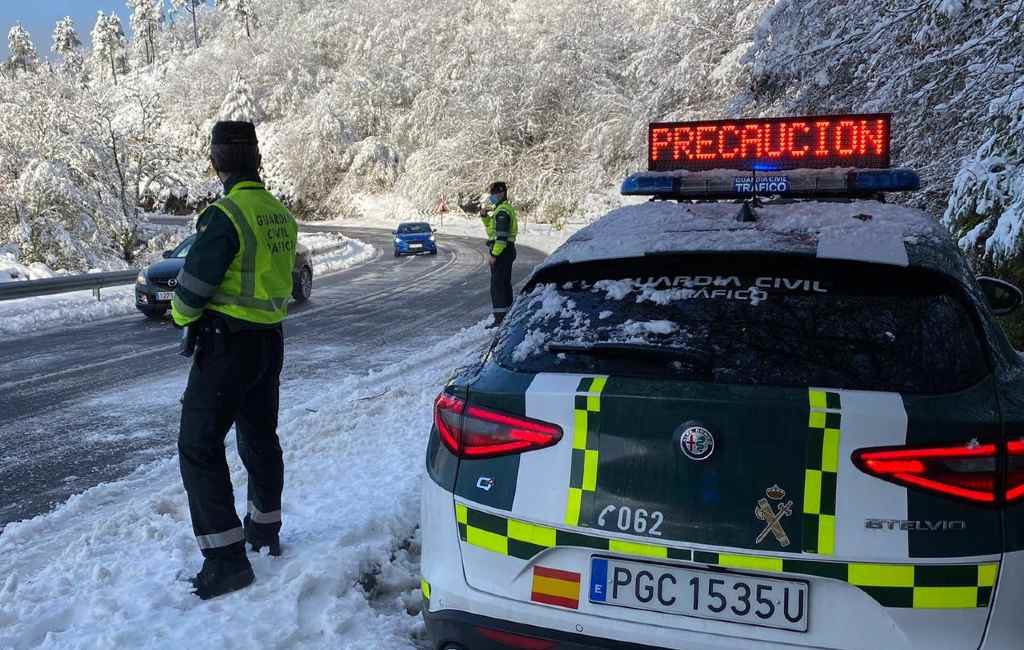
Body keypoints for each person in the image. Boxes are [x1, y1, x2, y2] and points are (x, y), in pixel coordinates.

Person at [171, 120, 298, 599]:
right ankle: (264, 530)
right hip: (269, 343)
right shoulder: (280, 214)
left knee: (199, 447)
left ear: (217, 161)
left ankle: (226, 560)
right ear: (258, 159)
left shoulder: (224, 215)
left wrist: (183, 316)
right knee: (260, 437)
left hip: (226, 347)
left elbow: (191, 292)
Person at [479, 181, 518, 326]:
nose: (492, 196)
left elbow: (501, 238)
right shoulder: (502, 208)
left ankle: (500, 319)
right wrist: (485, 217)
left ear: (501, 193)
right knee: (504, 284)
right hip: (506, 250)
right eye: (492, 194)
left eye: (494, 193)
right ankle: (507, 315)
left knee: (498, 287)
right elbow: (492, 231)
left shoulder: (502, 212)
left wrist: (494, 255)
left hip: (502, 252)